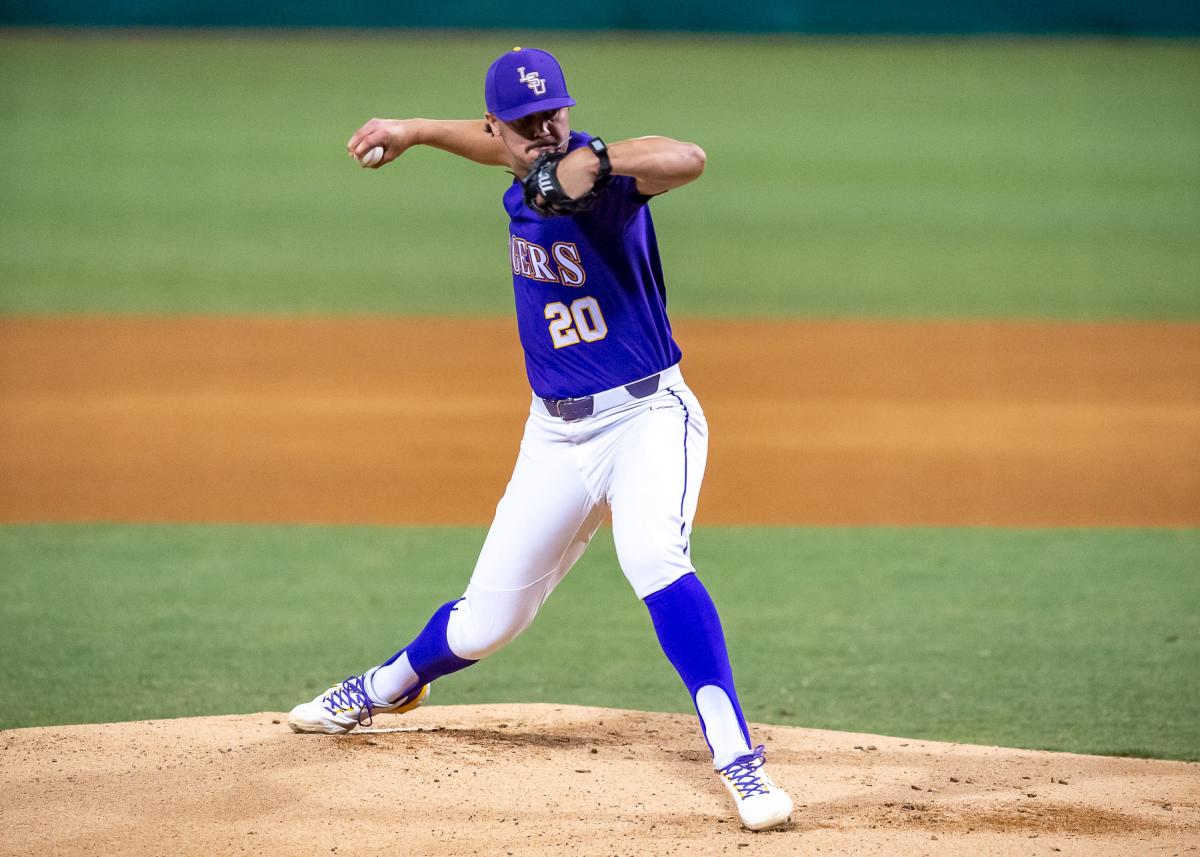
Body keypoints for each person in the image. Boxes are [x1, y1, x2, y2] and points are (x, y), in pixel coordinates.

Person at [288, 46, 793, 832]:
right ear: (501, 130)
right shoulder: (518, 161)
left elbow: (687, 157)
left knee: (654, 557)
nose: (546, 131)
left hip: (648, 418)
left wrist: (594, 157)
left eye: (556, 113)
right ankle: (385, 685)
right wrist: (415, 129)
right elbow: (495, 146)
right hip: (553, 437)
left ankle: (737, 758)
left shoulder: (605, 181)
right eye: (527, 125)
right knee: (488, 623)